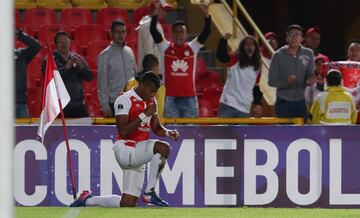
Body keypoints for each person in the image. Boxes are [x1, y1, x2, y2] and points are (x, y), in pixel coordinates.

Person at [70, 72, 179, 207]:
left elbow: (156, 128)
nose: (152, 95)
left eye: (155, 92)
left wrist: (169, 133)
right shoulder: (124, 100)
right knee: (163, 148)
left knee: (127, 204)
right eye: (151, 91)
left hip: (138, 152)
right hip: (125, 149)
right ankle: (149, 192)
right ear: (142, 85)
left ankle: (87, 199)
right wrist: (144, 115)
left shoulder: (151, 100)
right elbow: (123, 131)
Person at [150, 0, 211, 118]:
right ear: (172, 34)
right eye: (176, 32)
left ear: (186, 34)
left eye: (182, 32)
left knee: (191, 132)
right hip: (170, 98)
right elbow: (153, 31)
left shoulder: (193, 47)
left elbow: (207, 32)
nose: (179, 35)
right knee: (173, 132)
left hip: (189, 98)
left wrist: (206, 14)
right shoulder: (165, 47)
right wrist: (156, 11)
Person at [268, 24, 315, 122]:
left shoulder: (308, 53)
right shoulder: (277, 55)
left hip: (301, 101)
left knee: (303, 133)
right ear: (287, 38)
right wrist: (286, 81)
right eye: (291, 35)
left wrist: (310, 80)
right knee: (284, 134)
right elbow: (271, 81)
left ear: (302, 39)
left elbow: (310, 74)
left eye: (297, 35)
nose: (294, 37)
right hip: (283, 102)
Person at [41, 31, 92, 118]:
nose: (64, 43)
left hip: (78, 104)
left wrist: (81, 67)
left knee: (84, 129)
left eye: (66, 40)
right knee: (59, 131)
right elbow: (48, 79)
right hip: (59, 106)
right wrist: (65, 68)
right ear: (56, 44)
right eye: (60, 41)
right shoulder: (49, 59)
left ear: (70, 43)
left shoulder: (78, 58)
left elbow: (89, 77)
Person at [216, 33, 263, 117]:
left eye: (252, 44)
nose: (249, 46)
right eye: (246, 44)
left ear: (255, 48)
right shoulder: (235, 59)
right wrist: (223, 41)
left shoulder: (257, 68)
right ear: (242, 47)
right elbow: (221, 56)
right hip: (228, 103)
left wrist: (258, 103)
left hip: (245, 107)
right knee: (222, 130)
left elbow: (255, 87)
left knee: (241, 131)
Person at [98, 19, 137, 117]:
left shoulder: (130, 52)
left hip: (132, 101)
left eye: (123, 32)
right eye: (117, 32)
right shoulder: (105, 55)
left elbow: (136, 76)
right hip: (115, 102)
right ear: (111, 33)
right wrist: (105, 106)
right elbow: (102, 83)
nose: (121, 35)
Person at [136, 0, 171, 75]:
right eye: (163, 10)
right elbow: (149, 52)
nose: (165, 13)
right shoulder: (147, 25)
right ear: (155, 9)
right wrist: (154, 72)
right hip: (150, 73)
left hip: (155, 71)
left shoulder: (155, 23)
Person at [15, 28, 41, 118]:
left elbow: (36, 46)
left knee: (24, 131)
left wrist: (20, 35)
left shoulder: (21, 54)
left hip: (20, 101)